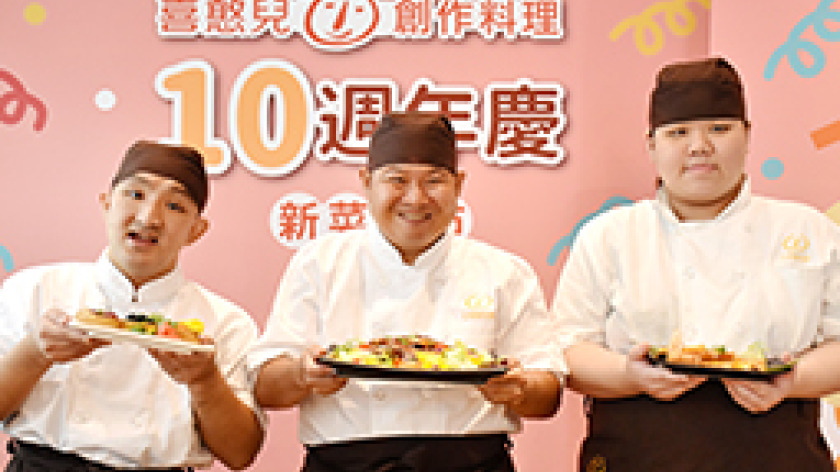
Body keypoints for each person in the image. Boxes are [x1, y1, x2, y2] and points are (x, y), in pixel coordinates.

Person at [552, 57, 840, 471]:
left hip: (777, 453)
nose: (699, 146)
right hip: (637, 453)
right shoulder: (609, 235)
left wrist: (793, 381)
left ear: (748, 136)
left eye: (719, 129)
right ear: (652, 145)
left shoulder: (807, 229)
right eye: (678, 133)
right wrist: (629, 375)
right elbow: (568, 349)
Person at [249, 112, 563, 472]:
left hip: (472, 464)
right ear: (366, 183)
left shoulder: (504, 272)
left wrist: (521, 388)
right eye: (397, 180)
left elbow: (548, 392)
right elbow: (265, 385)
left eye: (434, 181)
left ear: (459, 185)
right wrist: (301, 375)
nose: (415, 198)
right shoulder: (320, 264)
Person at [0, 141, 264, 471]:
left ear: (196, 231)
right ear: (106, 203)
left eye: (174, 206)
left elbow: (240, 454)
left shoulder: (227, 323)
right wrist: (37, 352)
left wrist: (205, 380)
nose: (148, 217)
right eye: (136, 194)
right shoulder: (34, 289)